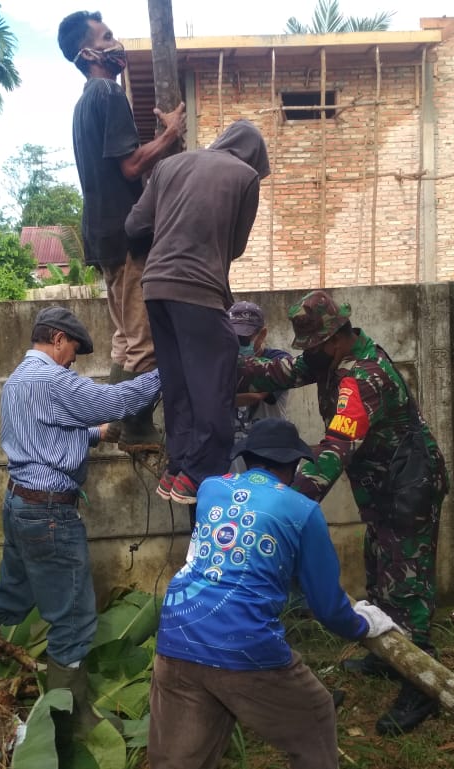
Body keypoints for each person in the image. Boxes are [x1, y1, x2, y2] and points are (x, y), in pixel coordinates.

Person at [0, 306, 161, 737]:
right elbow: (116, 400)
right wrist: (169, 371)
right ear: (57, 338)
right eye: (73, 349)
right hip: (50, 514)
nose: (74, 359)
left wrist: (98, 433)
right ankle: (73, 720)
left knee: (8, 594)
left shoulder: (19, 381)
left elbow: (47, 433)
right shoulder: (51, 380)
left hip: (21, 505)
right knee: (73, 618)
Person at [237, 289, 450, 736]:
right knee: (380, 565)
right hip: (383, 481)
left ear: (334, 338)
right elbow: (284, 370)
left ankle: (423, 685)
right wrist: (228, 366)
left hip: (408, 483)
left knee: (407, 579)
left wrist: (287, 506)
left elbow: (334, 449)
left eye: (313, 347)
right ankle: (390, 654)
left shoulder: (361, 378)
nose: (307, 356)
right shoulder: (330, 358)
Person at [148, 418, 399, 769]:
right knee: (314, 716)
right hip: (243, 645)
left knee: (179, 764)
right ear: (295, 464)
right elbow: (328, 607)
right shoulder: (303, 511)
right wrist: (364, 623)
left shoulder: (210, 489)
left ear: (246, 458)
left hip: (177, 635)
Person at [57, 10, 185, 450]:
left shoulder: (81, 103)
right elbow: (130, 165)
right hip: (128, 235)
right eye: (107, 37)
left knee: (124, 337)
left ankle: (114, 421)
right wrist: (171, 135)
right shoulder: (109, 94)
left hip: (102, 236)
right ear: (88, 52)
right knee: (144, 338)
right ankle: (135, 426)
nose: (116, 43)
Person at [124, 119, 270, 504]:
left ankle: (178, 469)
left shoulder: (169, 165)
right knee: (215, 377)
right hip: (198, 289)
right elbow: (235, 247)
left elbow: (134, 224)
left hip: (154, 288)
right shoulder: (246, 177)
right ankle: (201, 471)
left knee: (180, 381)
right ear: (254, 156)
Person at [228, 300, 291, 473]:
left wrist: (217, 397)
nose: (239, 344)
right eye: (234, 338)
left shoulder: (277, 361)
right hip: (233, 466)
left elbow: (258, 394)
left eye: (245, 338)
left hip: (272, 462)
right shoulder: (224, 362)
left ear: (262, 334)